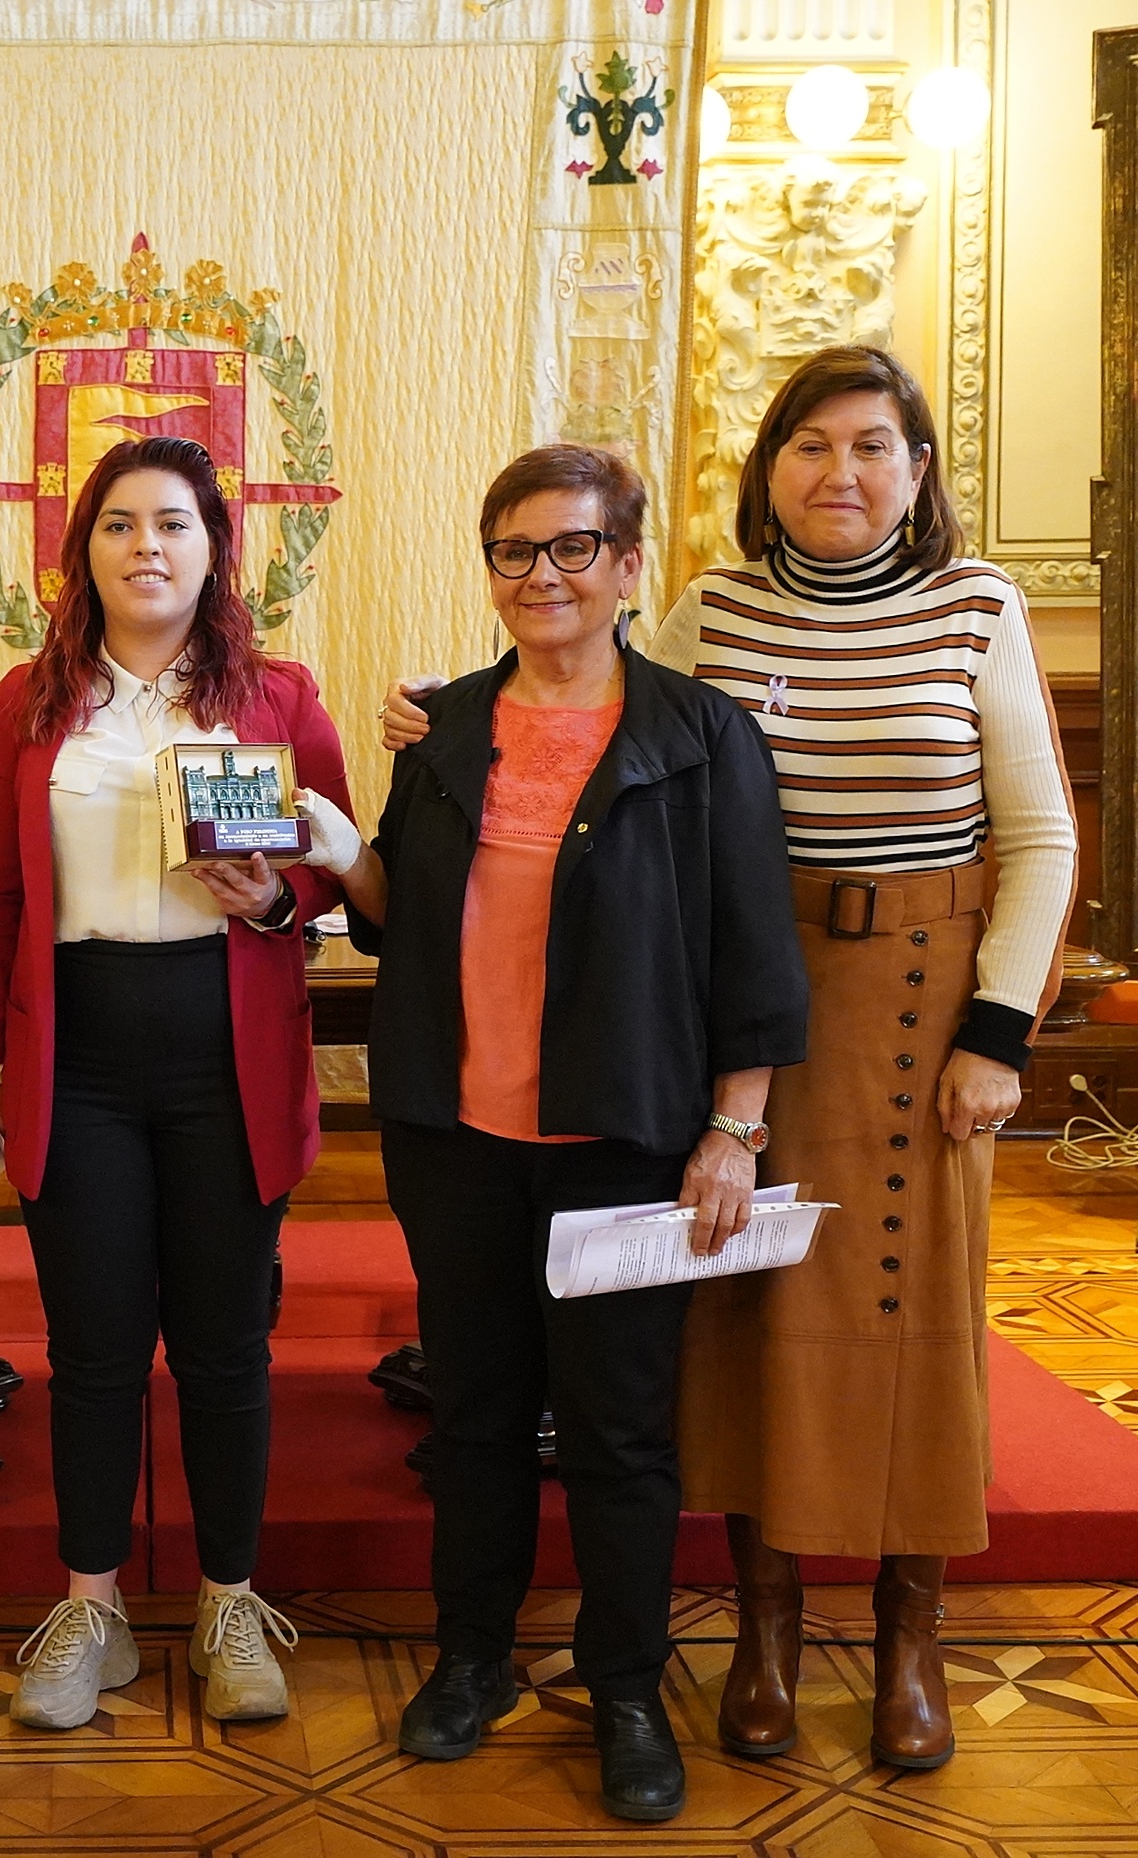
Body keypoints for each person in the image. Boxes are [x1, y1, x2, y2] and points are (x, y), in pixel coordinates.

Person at [383, 347, 1078, 1771]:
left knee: (905, 1328)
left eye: (870, 445)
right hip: (696, 1014)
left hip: (904, 1012)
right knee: (741, 1332)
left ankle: (900, 1635)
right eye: (808, 445)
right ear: (766, 470)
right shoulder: (719, 609)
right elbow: (589, 714)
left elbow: (1039, 835)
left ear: (916, 466)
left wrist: (995, 1030)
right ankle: (760, 1634)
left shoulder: (974, 604)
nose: (840, 472)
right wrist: (430, 718)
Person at [333, 443, 808, 1821]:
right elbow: (392, 916)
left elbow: (751, 951)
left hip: (623, 1138)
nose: (540, 574)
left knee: (615, 1432)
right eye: (512, 550)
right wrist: (326, 847)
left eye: (571, 547)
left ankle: (623, 1688)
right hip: (455, 1135)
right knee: (472, 1417)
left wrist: (732, 1129)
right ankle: (469, 1657)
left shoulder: (699, 734)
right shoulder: (442, 728)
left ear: (626, 564)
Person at [0, 436, 355, 1731]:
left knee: (226, 1346)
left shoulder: (276, 697)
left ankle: (229, 1601)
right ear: (83, 551)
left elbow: (335, 872)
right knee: (92, 1348)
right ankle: (91, 1607)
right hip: (77, 1054)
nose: (146, 547)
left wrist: (273, 895)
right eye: (118, 524)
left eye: (172, 523)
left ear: (213, 546)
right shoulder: (27, 702)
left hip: (225, 1052)